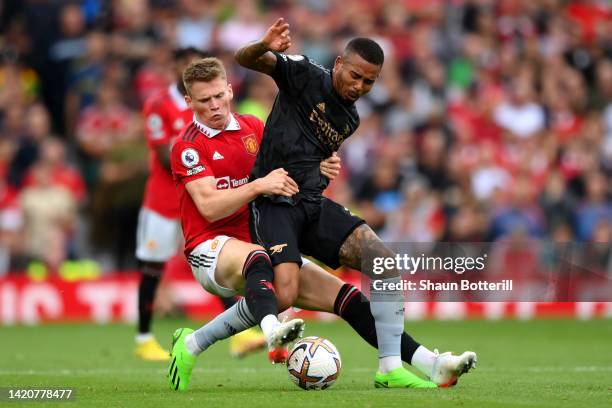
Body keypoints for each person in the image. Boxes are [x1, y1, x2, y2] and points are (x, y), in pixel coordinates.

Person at [168, 57, 472, 392]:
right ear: (189, 102)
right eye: (203, 100)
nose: (213, 105)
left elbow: (288, 177)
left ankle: (429, 363)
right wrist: (258, 185)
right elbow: (209, 207)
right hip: (210, 246)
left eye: (218, 96)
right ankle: (272, 333)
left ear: (228, 90)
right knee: (260, 261)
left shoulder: (254, 128)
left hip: (260, 235)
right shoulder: (188, 147)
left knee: (349, 300)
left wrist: (320, 168)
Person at [234, 18, 477, 388]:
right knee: (283, 293)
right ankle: (198, 339)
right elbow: (245, 59)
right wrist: (264, 43)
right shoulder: (301, 73)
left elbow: (315, 160)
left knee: (382, 261)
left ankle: (390, 367)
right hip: (272, 201)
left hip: (311, 204)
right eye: (355, 76)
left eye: (369, 82)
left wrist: (325, 171)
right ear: (338, 64)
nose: (359, 86)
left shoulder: (349, 119)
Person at [135, 47, 266, 361]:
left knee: (216, 258)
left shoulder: (211, 107)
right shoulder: (160, 105)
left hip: (205, 199)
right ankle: (143, 337)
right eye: (185, 65)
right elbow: (164, 155)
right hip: (164, 201)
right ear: (177, 70)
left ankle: (241, 334)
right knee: (153, 266)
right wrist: (199, 157)